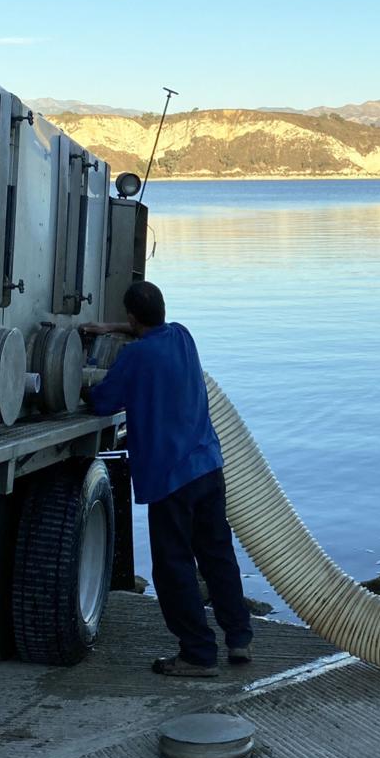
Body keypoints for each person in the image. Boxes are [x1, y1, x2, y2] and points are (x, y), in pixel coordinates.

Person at [82, 281, 252, 677]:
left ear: (131, 318)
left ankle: (198, 655)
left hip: (171, 478)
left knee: (174, 566)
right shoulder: (182, 335)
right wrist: (111, 329)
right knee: (217, 556)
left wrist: (81, 386)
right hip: (209, 467)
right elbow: (147, 327)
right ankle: (239, 638)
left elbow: (103, 402)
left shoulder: (136, 358)